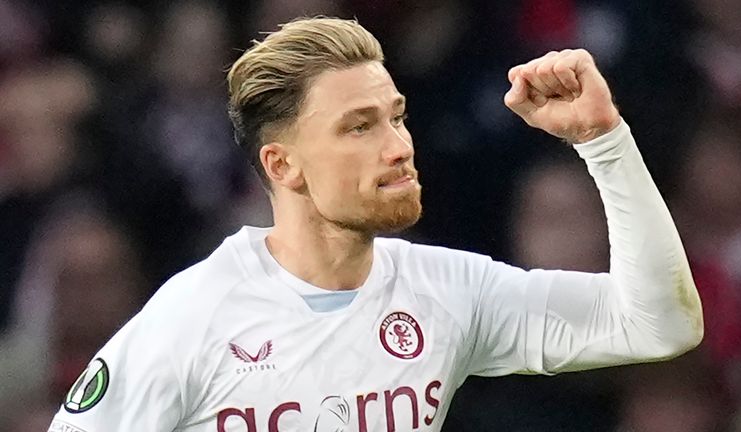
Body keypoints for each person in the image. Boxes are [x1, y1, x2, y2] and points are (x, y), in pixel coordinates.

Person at [48, 17, 703, 432]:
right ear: (285, 164)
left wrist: (604, 141)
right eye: (360, 126)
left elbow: (657, 324)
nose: (398, 145)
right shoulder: (191, 319)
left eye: (396, 116)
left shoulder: (444, 289)